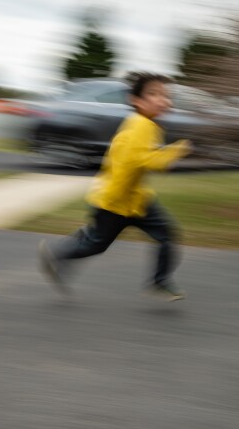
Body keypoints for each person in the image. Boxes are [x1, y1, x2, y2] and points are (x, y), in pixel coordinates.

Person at [38, 72, 191, 301]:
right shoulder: (142, 126)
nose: (162, 99)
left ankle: (160, 282)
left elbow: (139, 161)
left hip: (136, 199)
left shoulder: (142, 124)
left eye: (165, 95)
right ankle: (58, 254)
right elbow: (149, 162)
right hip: (115, 203)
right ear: (136, 100)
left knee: (166, 235)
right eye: (154, 94)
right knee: (96, 245)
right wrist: (179, 149)